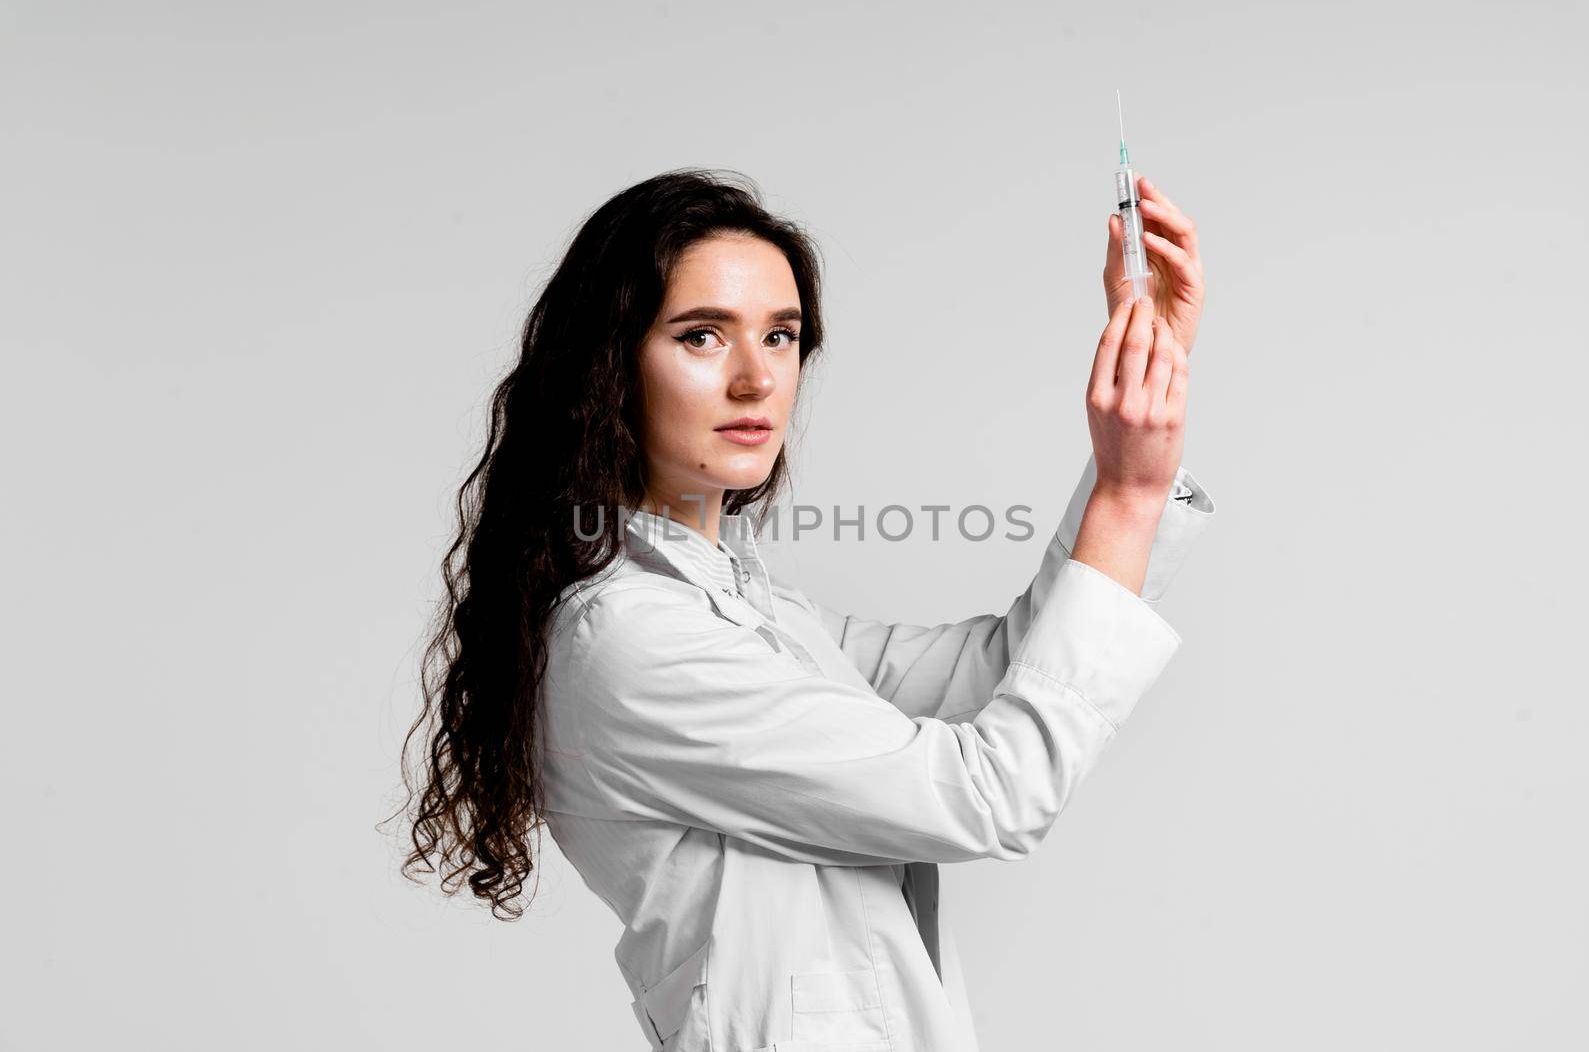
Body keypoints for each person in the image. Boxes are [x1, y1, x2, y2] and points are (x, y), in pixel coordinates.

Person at [396, 167, 1216, 1051]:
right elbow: (989, 792)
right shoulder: (629, 638)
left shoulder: (746, 609)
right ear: (609, 366)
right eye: (702, 335)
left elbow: (997, 670)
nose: (757, 379)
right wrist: (1127, 494)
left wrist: (1148, 403)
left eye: (781, 336)